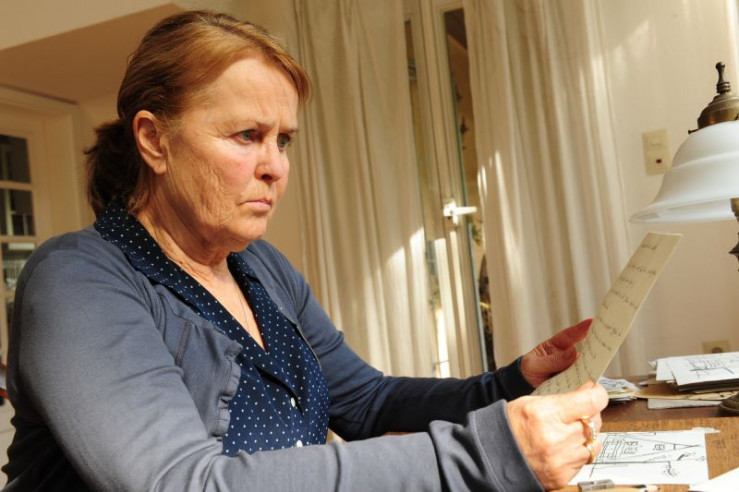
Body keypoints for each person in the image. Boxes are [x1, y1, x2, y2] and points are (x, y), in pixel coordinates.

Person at [2, 10, 608, 491]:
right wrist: (487, 452)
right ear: (154, 140)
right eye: (247, 135)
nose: (275, 167)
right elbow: (180, 482)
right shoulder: (77, 280)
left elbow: (367, 402)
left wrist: (511, 382)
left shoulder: (260, 266)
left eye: (283, 140)